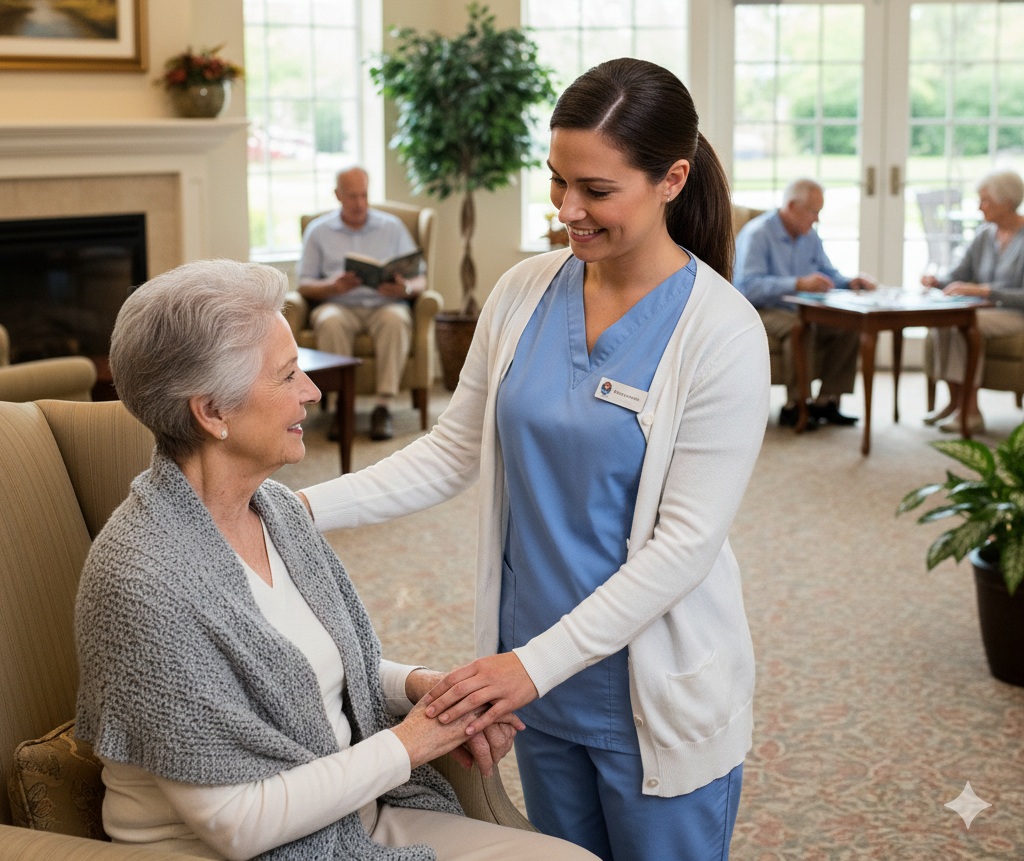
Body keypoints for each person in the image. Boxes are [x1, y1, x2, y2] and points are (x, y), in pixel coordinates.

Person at [299, 58, 771, 861]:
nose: (568, 212)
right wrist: (297, 509)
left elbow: (683, 548)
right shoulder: (524, 293)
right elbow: (451, 453)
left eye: (596, 189)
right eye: (556, 183)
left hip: (645, 693)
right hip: (536, 689)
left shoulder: (722, 333)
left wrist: (528, 665)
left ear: (672, 180)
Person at [74, 258, 594, 861]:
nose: (313, 392)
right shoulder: (143, 580)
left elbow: (313, 669)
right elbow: (237, 824)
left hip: (345, 821)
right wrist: (415, 741)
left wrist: (428, 689)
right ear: (212, 412)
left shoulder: (275, 512)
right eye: (289, 374)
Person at [733, 177, 877, 429]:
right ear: (791, 206)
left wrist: (850, 282)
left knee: (848, 325)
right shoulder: (758, 234)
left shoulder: (809, 236)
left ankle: (825, 402)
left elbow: (827, 273)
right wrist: (798, 283)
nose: (816, 219)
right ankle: (795, 406)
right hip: (759, 309)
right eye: (813, 211)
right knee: (799, 327)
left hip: (799, 309)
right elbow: (747, 287)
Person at [298, 166, 426, 440]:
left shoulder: (391, 227)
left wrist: (403, 287)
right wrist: (333, 285)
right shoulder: (318, 231)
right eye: (352, 196)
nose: (360, 203)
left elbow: (421, 281)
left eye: (364, 195)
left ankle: (383, 407)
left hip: (384, 304)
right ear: (338, 195)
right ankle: (342, 409)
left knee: (396, 320)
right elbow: (303, 283)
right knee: (329, 321)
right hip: (339, 304)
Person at [922, 170, 1024, 434]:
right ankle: (956, 400)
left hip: (1015, 313)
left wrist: (986, 292)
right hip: (983, 311)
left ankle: (971, 411)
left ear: (1007, 202)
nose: (980, 207)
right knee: (943, 321)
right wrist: (938, 281)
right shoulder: (984, 235)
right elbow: (959, 275)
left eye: (986, 201)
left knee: (965, 324)